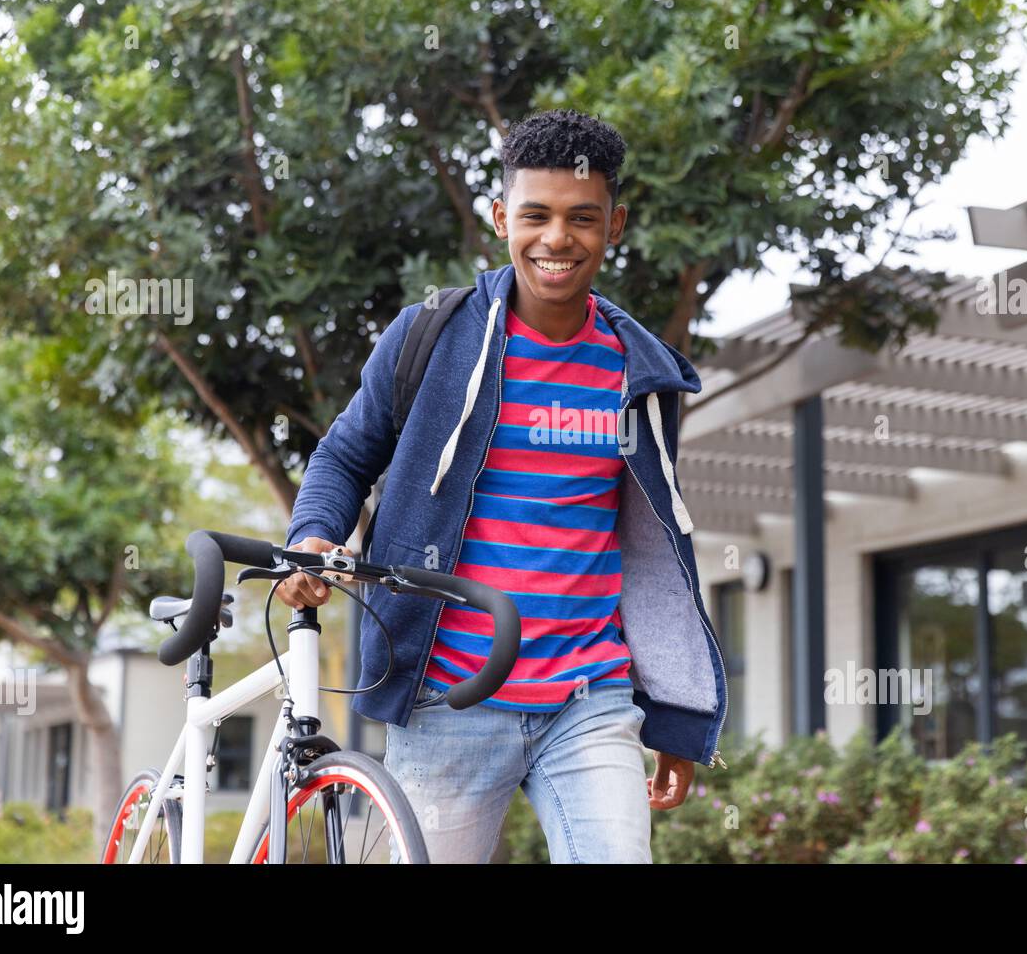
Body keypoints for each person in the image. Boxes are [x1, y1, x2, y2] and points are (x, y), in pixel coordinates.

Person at [277, 108, 728, 863]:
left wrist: (676, 717)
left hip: (591, 701)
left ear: (614, 225)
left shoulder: (639, 372)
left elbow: (655, 552)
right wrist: (313, 537)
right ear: (500, 218)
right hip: (447, 702)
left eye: (583, 217)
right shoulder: (433, 337)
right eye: (537, 214)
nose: (558, 238)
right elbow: (344, 457)